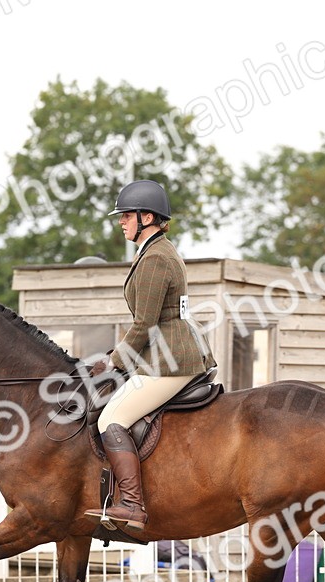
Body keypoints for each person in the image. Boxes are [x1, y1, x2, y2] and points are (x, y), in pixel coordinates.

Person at [82, 179, 217, 531]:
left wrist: (113, 363)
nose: (121, 222)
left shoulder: (156, 258)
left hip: (171, 360)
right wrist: (113, 355)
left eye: (126, 216)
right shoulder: (156, 251)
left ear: (146, 217)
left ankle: (131, 504)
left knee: (110, 420)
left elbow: (144, 324)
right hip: (165, 353)